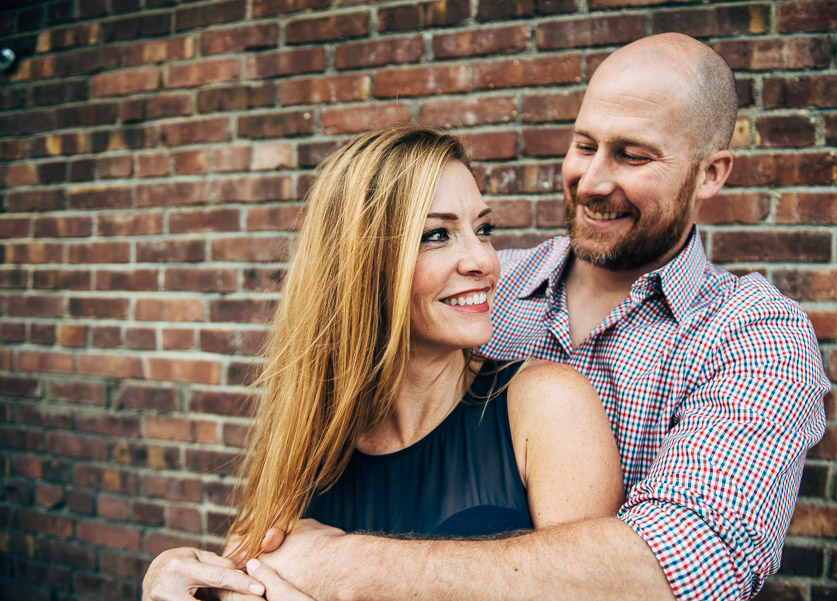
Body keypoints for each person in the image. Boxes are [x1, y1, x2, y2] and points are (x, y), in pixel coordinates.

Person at [242, 32, 831, 601]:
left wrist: (342, 565)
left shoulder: (754, 333)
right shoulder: (479, 289)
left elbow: (685, 565)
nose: (592, 181)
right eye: (583, 144)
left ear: (711, 173)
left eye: (632, 155)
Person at [142, 126, 624, 600]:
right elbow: (243, 573)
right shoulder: (311, 431)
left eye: (484, 229)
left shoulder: (548, 405)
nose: (484, 260)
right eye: (437, 234)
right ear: (363, 262)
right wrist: (181, 576)